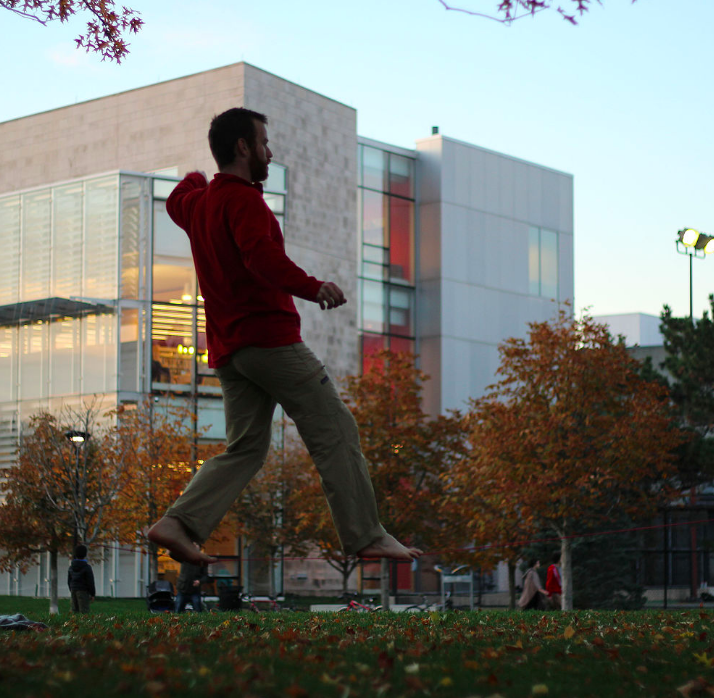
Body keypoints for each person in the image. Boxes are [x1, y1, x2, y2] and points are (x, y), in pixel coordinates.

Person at [148, 107, 421, 566]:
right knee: (335, 428)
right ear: (243, 148)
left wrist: (200, 174)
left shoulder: (201, 205)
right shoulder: (243, 201)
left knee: (247, 449)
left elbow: (183, 191)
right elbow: (261, 258)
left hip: (232, 352)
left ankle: (178, 523)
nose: (269, 154)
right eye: (263, 143)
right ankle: (365, 533)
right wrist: (313, 287)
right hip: (269, 342)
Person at [175, 545, 209, 613]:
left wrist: (199, 581)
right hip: (183, 589)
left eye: (196, 545)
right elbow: (174, 555)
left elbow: (205, 576)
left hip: (195, 591)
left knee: (198, 610)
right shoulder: (184, 557)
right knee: (177, 610)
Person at [67, 544, 95, 614]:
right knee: (84, 611)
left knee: (74, 610)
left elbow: (69, 580)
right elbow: (90, 581)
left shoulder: (71, 567)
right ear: (85, 554)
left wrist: (71, 589)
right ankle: (84, 624)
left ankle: (73, 623)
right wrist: (92, 594)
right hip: (83, 591)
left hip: (73, 590)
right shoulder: (87, 567)